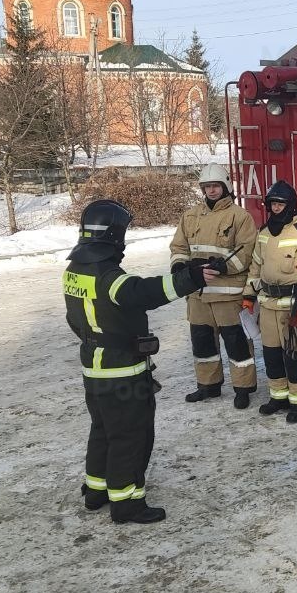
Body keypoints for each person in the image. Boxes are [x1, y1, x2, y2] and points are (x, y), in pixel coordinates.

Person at [64, 199, 215, 524]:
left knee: (103, 430)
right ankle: (127, 503)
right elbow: (145, 292)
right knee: (131, 436)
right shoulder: (108, 277)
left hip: (93, 369)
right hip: (123, 373)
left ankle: (96, 492)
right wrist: (192, 278)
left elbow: (73, 321)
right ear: (112, 236)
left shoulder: (73, 272)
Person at [170, 164, 259, 408]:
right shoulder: (190, 216)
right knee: (202, 343)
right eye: (207, 186)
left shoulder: (239, 217)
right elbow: (178, 247)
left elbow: (247, 253)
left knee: (237, 344)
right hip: (198, 296)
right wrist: (179, 267)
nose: (211, 190)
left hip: (228, 297)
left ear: (226, 187)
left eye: (215, 186)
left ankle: (243, 388)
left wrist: (223, 266)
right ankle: (208, 386)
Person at [242, 181, 297, 423]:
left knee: (295, 356)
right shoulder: (265, 233)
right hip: (268, 305)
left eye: (280, 204)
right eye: (273, 204)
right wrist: (248, 296)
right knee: (272, 355)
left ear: (290, 205)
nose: (276, 208)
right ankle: (278, 397)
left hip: (294, 306)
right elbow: (255, 268)